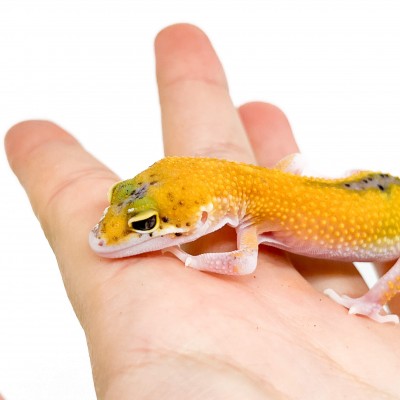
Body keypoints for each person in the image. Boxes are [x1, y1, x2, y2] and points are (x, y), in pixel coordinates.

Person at [5, 23, 400, 399]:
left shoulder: (254, 210)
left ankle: (370, 304)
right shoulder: (256, 188)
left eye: (145, 226)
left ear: (207, 215)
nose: (104, 235)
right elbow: (293, 163)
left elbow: (245, 265)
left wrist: (189, 262)